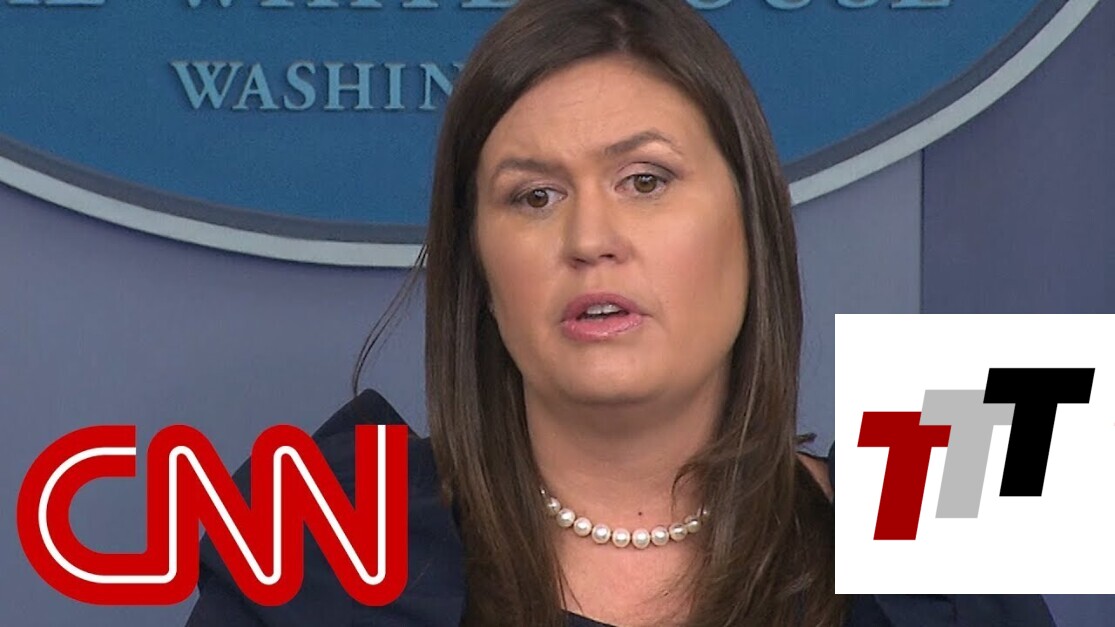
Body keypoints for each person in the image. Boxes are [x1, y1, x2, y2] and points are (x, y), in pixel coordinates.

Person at [186, 0, 1056, 625]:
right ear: (478, 265)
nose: (589, 238)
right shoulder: (317, 539)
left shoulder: (948, 527)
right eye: (533, 196)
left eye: (645, 180)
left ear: (749, 222)